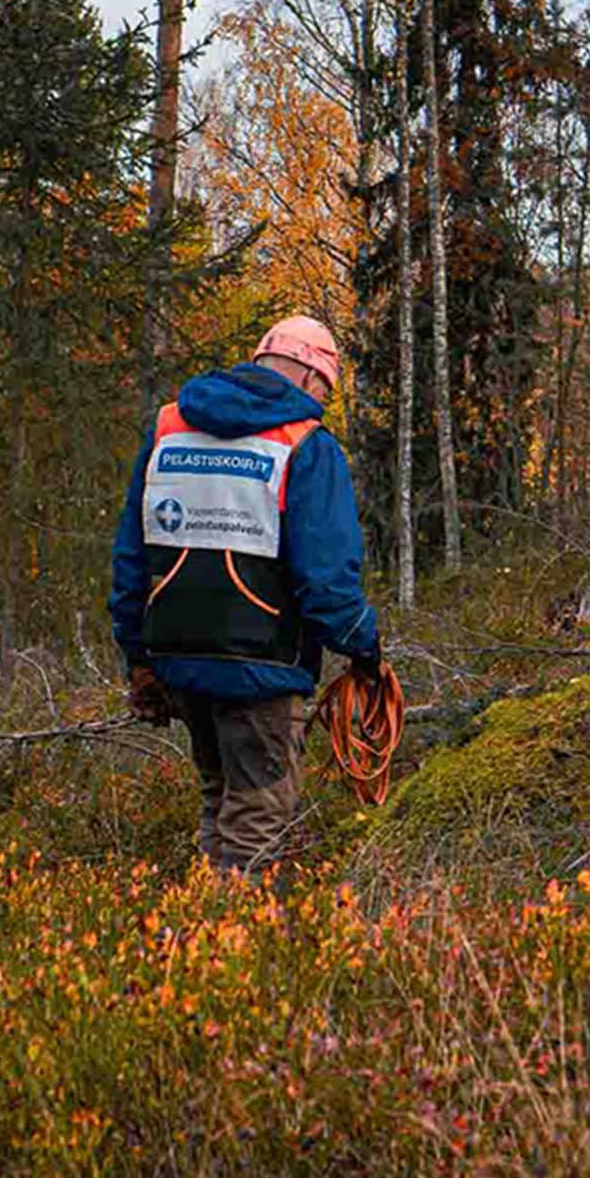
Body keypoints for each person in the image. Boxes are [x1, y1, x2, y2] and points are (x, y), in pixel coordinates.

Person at [108, 316, 383, 875]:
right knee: (259, 815)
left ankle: (199, 940)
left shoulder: (168, 428)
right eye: (324, 392)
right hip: (263, 669)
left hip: (177, 661)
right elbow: (326, 577)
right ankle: (233, 953)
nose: (320, 404)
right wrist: (364, 648)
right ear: (310, 377)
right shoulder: (305, 443)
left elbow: (131, 554)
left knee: (219, 801)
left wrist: (137, 656)